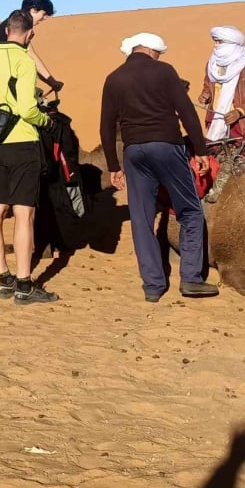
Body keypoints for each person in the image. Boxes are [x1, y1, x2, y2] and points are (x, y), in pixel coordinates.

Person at [100, 32, 218, 302]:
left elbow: (106, 127)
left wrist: (114, 166)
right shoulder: (164, 71)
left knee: (141, 219)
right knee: (189, 210)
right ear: (152, 51)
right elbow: (187, 112)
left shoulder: (114, 78)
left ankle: (153, 285)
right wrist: (200, 151)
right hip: (167, 146)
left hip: (133, 153)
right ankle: (191, 279)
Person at [0, 10, 59, 305]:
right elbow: (27, 108)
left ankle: (4, 279)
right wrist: (46, 122)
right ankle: (24, 285)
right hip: (22, 142)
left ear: (5, 32)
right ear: (30, 34)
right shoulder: (24, 61)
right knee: (24, 214)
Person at [199, 26, 245, 159]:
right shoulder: (212, 65)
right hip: (216, 121)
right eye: (215, 42)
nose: (216, 46)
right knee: (212, 162)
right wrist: (206, 95)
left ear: (231, 44)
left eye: (220, 42)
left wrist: (238, 112)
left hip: (241, 124)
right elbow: (208, 86)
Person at [0, 0, 59, 93]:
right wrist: (52, 82)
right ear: (34, 10)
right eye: (43, 14)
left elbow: (30, 53)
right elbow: (31, 55)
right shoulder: (18, 27)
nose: (44, 18)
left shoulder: (14, 22)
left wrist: (51, 81)